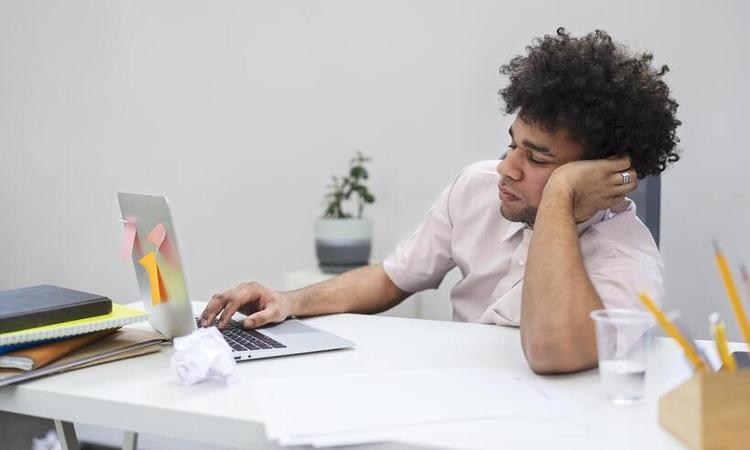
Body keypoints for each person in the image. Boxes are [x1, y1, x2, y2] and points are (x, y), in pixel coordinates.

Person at [200, 28, 681, 374]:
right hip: (447, 401)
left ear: (604, 174)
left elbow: (552, 353)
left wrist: (558, 196)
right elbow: (392, 278)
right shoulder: (476, 188)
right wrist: (291, 301)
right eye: (511, 143)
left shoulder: (627, 262)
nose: (506, 168)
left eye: (537, 158)